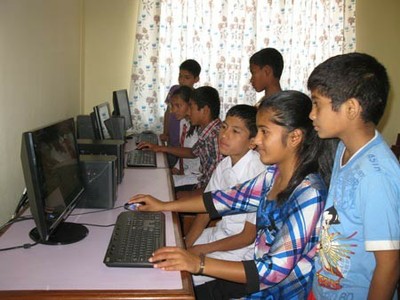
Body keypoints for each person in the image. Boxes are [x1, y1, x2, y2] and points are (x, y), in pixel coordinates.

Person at [130, 90, 337, 299]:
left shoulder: (309, 195)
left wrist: (198, 262)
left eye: (264, 132)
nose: (255, 141)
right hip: (253, 275)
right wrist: (163, 205)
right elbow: (223, 200)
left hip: (272, 292)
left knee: (177, 287)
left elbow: (271, 272)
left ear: (294, 138)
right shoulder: (273, 176)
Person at [307, 52, 400, 300]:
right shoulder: (344, 148)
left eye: (317, 104)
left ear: (350, 108)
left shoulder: (376, 175)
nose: (311, 114)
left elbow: (389, 265)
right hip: (325, 288)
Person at [185, 104, 265, 286]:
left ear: (252, 141)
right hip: (221, 234)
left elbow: (247, 236)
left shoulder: (257, 173)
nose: (224, 135)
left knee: (183, 275)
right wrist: (187, 244)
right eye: (224, 127)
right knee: (175, 250)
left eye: (235, 131)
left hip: (241, 249)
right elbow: (206, 209)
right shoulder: (225, 164)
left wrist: (200, 250)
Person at [138, 86, 223, 198]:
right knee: (159, 182)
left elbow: (216, 186)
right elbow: (192, 152)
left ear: (205, 111)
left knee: (161, 188)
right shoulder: (206, 131)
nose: (189, 111)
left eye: (191, 106)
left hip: (205, 188)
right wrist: (160, 148)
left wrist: (189, 195)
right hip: (201, 184)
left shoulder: (215, 137)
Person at [161, 59, 201, 168]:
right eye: (180, 76)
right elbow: (168, 112)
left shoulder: (196, 97)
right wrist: (166, 133)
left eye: (186, 77)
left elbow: (192, 151)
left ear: (196, 79)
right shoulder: (175, 90)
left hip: (185, 144)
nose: (182, 81)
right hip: (172, 139)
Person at [168, 85, 201, 192]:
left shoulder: (199, 127)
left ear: (190, 104)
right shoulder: (183, 122)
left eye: (178, 106)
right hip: (184, 173)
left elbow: (191, 153)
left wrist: (160, 148)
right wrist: (177, 167)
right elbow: (182, 150)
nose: (173, 110)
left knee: (165, 185)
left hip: (195, 177)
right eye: (172, 106)